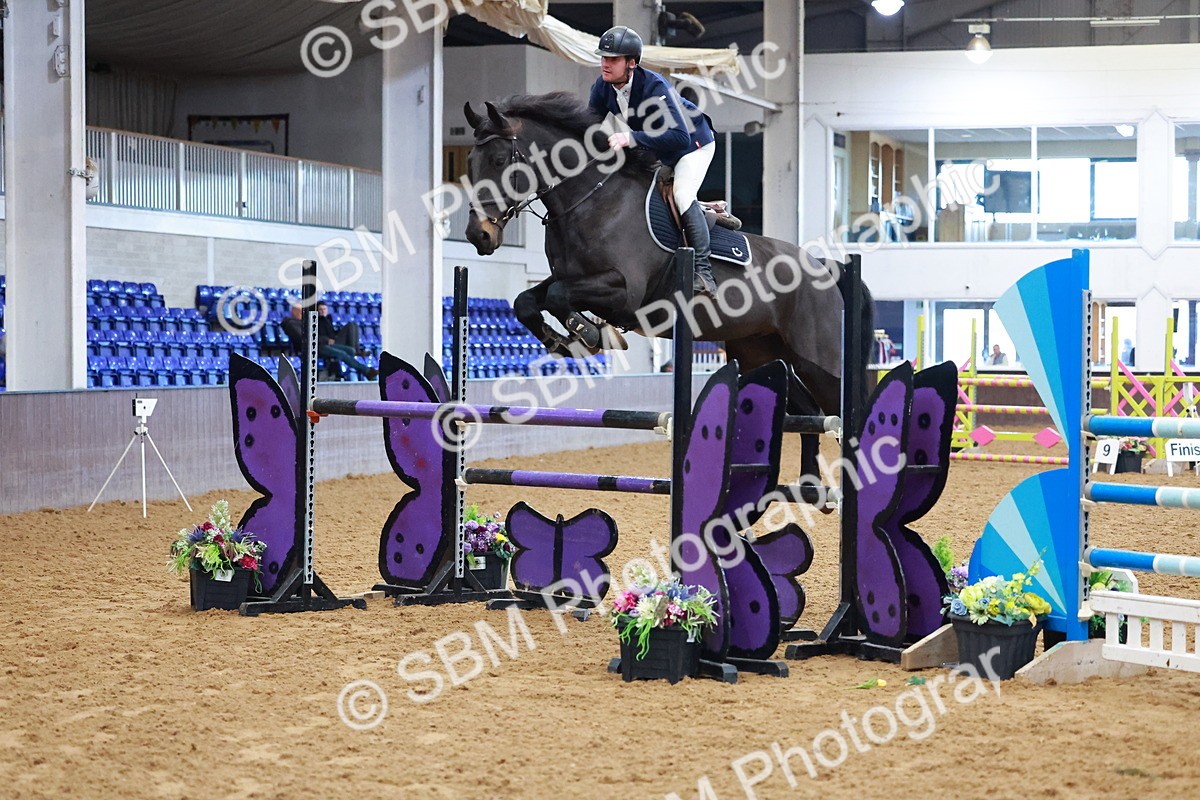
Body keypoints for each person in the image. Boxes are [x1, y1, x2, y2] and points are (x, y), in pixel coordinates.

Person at [588, 25, 718, 297]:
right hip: (660, 149)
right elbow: (588, 129)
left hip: (693, 145)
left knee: (682, 195)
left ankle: (703, 272)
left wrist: (631, 139)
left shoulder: (656, 86)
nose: (605, 64)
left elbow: (680, 137)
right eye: (603, 57)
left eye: (613, 59)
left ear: (631, 63)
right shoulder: (602, 87)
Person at [282, 301, 377, 380]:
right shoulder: (292, 324)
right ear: (295, 312)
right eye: (301, 311)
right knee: (342, 354)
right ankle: (367, 371)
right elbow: (306, 338)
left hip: (320, 344)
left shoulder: (304, 322)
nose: (304, 313)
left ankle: (339, 368)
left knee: (350, 350)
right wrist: (325, 339)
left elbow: (314, 334)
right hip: (313, 348)